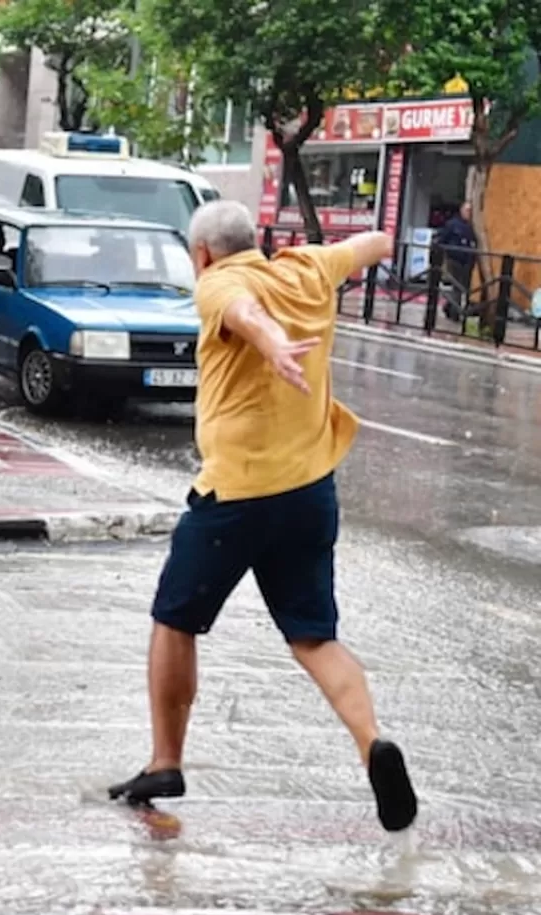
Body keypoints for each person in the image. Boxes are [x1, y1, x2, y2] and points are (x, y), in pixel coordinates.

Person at [107, 200, 419, 835]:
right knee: (314, 637)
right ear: (257, 240)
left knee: (175, 619)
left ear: (201, 255)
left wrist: (275, 341)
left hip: (236, 495)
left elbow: (244, 315)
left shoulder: (220, 282)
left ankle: (166, 761)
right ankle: (373, 745)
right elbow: (377, 242)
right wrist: (381, 240)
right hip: (309, 492)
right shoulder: (307, 269)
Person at [437, 201, 476, 321]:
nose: (468, 213)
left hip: (466, 261)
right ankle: (455, 313)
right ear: (461, 210)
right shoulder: (453, 224)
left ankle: (449, 308)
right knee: (457, 287)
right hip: (454, 259)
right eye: (466, 210)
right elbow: (442, 239)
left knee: (461, 288)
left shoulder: (470, 227)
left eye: (470, 211)